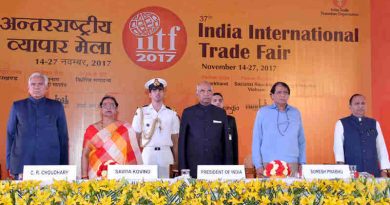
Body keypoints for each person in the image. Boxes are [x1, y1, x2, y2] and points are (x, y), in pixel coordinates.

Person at [6, 72, 69, 180]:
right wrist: (9, 164)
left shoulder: (56, 106)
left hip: (50, 164)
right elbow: (10, 135)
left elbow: (63, 137)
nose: (36, 87)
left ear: (46, 88)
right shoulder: (17, 106)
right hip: (22, 163)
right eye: (33, 84)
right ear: (28, 87)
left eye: (40, 84)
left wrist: (64, 165)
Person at [179, 81, 232, 178]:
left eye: (209, 91)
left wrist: (227, 168)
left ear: (212, 93)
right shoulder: (188, 113)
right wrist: (183, 170)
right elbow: (182, 143)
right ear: (197, 93)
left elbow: (226, 143)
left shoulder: (221, 113)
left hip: (216, 167)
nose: (206, 94)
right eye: (202, 91)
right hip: (193, 166)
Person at [252, 82, 306, 177]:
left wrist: (302, 163)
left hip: (292, 163)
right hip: (268, 164)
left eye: (285, 92)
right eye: (279, 92)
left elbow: (301, 140)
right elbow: (257, 140)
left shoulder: (296, 112)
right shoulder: (263, 112)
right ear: (272, 95)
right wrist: (258, 165)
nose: (283, 95)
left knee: (292, 192)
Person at [81, 96, 142, 179]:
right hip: (95, 175)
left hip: (120, 176)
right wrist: (84, 176)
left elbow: (132, 154)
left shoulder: (125, 129)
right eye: (105, 105)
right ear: (101, 109)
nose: (108, 107)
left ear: (116, 109)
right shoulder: (91, 130)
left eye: (112, 105)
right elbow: (85, 154)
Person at [132, 78, 180, 178]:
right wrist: (134, 160)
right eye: (154, 90)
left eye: (160, 90)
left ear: (164, 93)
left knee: (167, 187)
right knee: (145, 186)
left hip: (166, 153)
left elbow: (175, 140)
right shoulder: (141, 112)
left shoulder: (172, 113)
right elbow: (135, 139)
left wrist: (177, 161)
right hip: (147, 154)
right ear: (149, 94)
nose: (157, 93)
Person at [334, 94, 390, 177]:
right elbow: (338, 149)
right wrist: (341, 170)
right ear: (350, 106)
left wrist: (384, 170)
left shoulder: (374, 123)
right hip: (351, 174)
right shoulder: (341, 123)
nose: (360, 106)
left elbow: (381, 148)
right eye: (357, 104)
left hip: (373, 172)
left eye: (363, 103)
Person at [211, 92, 239, 165]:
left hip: (227, 161)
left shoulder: (231, 120)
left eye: (220, 100)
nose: (218, 102)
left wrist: (235, 164)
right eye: (215, 100)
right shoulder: (205, 120)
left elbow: (234, 144)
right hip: (211, 163)